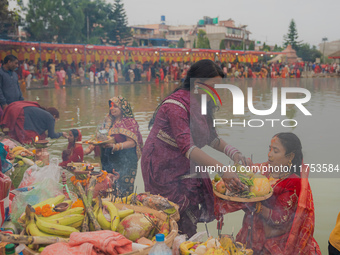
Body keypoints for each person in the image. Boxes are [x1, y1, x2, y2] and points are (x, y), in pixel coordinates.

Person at [141, 59, 246, 237]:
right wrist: (222, 169)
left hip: (183, 163)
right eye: (212, 86)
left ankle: (186, 242)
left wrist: (234, 153)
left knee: (189, 212)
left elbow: (211, 138)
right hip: (162, 166)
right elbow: (188, 147)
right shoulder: (175, 106)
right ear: (197, 84)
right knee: (170, 216)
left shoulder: (202, 103)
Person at [214, 132, 321, 254]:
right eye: (269, 149)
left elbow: (281, 219)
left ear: (290, 156)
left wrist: (256, 205)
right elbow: (247, 182)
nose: (269, 155)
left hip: (272, 243)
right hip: (250, 233)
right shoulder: (265, 170)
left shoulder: (293, 182)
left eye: (275, 151)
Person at [85, 96, 143, 195]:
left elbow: (132, 142)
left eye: (115, 106)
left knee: (122, 191)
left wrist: (114, 146)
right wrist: (87, 149)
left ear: (123, 108)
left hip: (125, 160)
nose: (112, 108)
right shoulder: (107, 120)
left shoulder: (129, 122)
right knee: (107, 186)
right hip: (108, 159)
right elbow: (99, 138)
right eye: (111, 106)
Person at [0, 101, 67, 144]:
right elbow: (52, 135)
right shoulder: (51, 118)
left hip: (16, 110)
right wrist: (61, 134)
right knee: (29, 142)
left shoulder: (40, 112)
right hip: (21, 114)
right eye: (56, 120)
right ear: (54, 116)